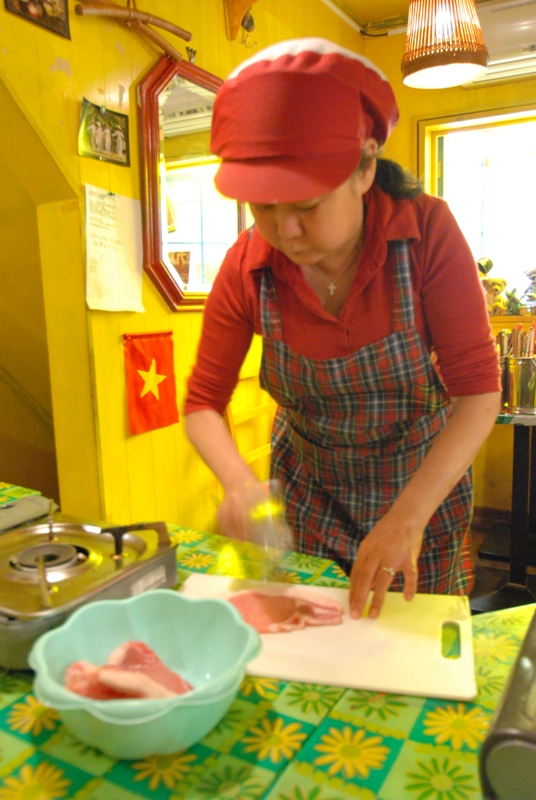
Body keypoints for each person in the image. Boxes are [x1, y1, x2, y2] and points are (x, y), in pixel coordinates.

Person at [183, 38, 501, 619]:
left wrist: (407, 517)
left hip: (421, 486)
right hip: (310, 492)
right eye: (262, 207)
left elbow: (478, 393)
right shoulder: (246, 268)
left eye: (305, 205)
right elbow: (203, 402)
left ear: (365, 167)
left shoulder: (426, 234)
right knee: (317, 638)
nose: (284, 230)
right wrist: (239, 484)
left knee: (410, 638)